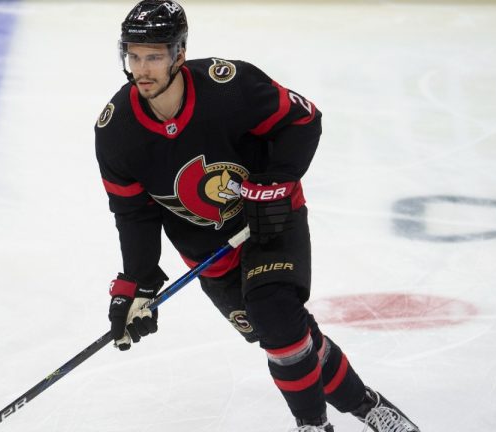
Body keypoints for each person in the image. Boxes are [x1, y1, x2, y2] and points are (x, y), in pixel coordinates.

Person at [94, 1, 421, 431]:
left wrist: (274, 182)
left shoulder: (229, 87)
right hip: (209, 252)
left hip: (268, 222)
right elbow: (134, 215)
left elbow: (304, 121)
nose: (142, 69)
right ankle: (367, 405)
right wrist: (137, 283)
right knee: (288, 336)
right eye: (134, 56)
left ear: (179, 53)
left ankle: (312, 425)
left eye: (154, 56)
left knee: (275, 316)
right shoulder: (117, 132)